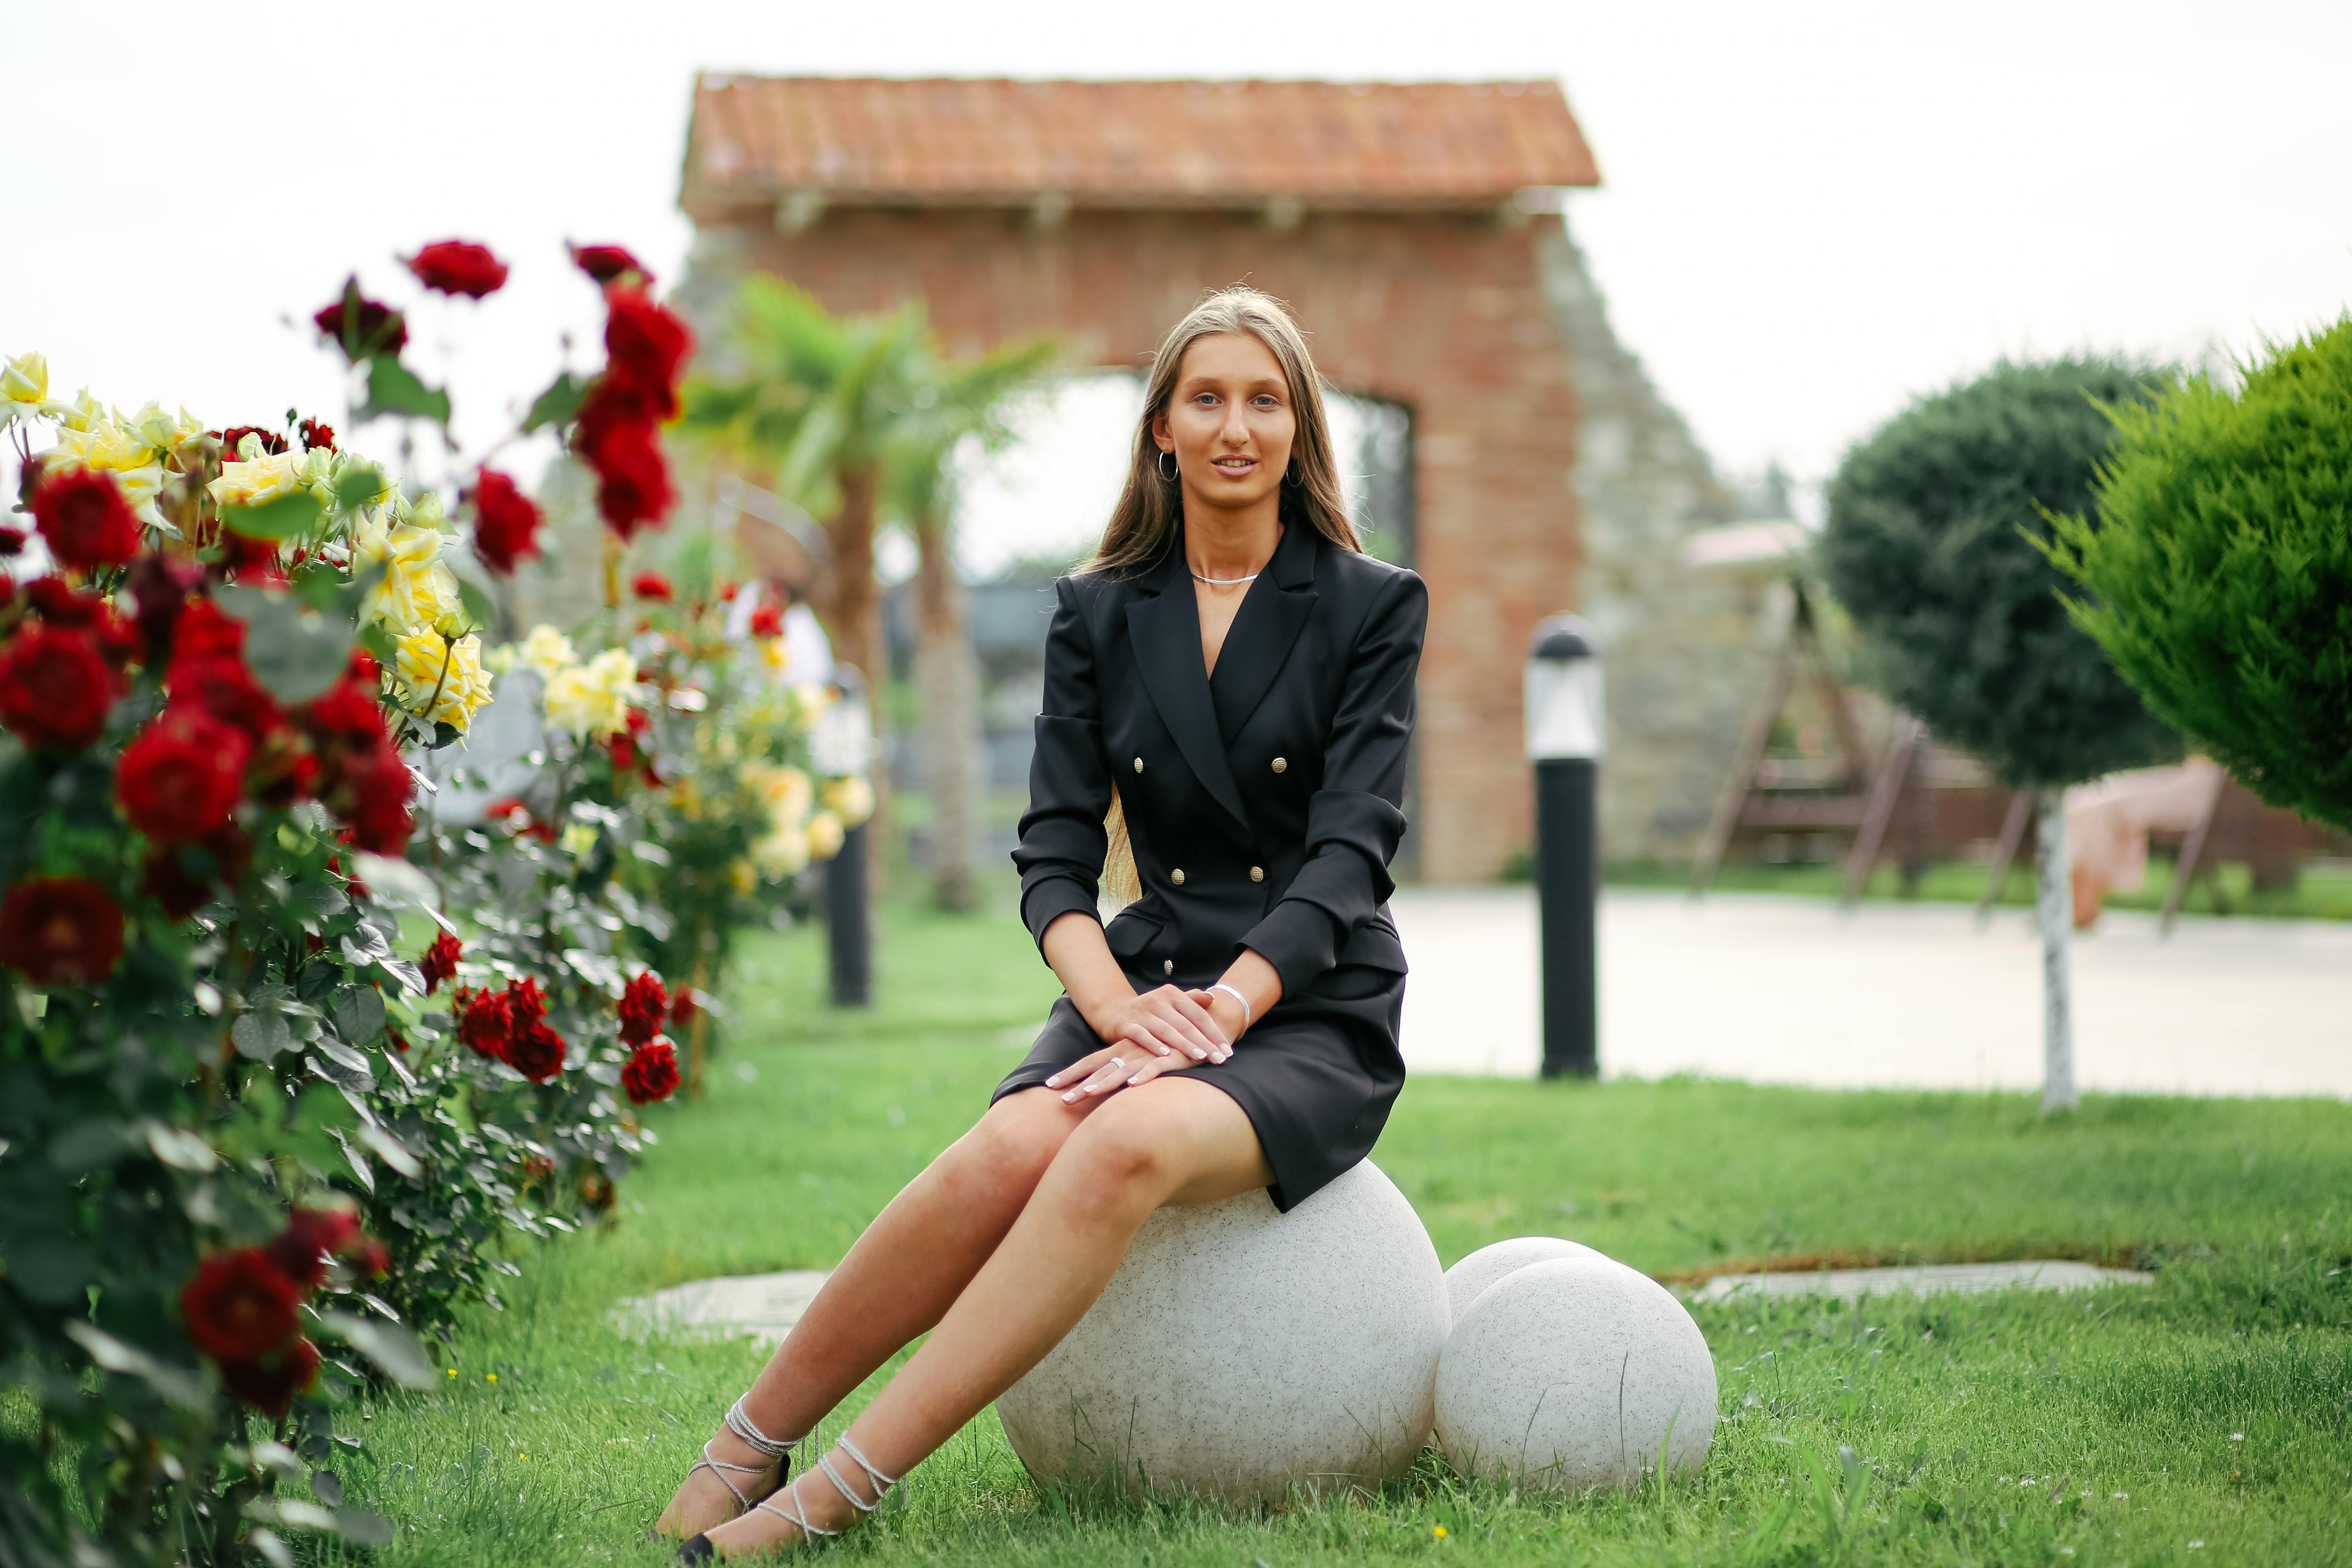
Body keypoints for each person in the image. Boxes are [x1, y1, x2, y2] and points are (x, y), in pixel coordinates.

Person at [657, 285, 1426, 1558]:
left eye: (1265, 399)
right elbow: (1057, 861)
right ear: (1161, 432)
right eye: (1207, 398)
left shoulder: (1369, 605)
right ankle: (745, 1443)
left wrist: (1218, 1014)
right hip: (1144, 981)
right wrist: (1123, 1012)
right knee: (1010, 1149)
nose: (1236, 426)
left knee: (1115, 1150)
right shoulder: (1098, 611)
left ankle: (831, 1498)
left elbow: (1348, 856)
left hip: (1306, 1004)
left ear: (1299, 429)